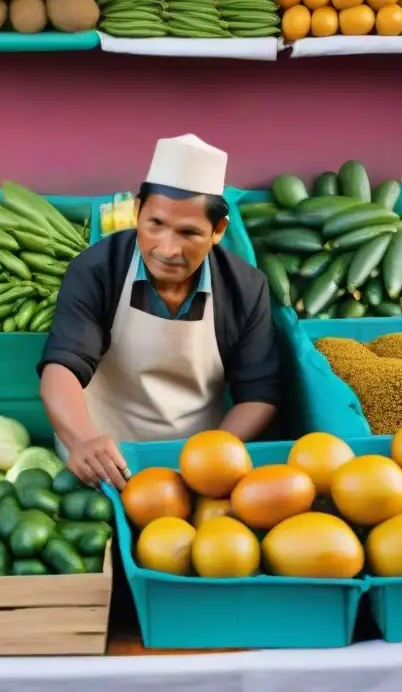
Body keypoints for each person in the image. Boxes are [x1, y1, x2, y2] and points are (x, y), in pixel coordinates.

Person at [37, 134, 281, 491]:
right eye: (155, 225)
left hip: (195, 458)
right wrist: (82, 438)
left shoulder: (245, 287)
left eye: (189, 233)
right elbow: (63, 364)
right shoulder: (95, 270)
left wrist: (211, 456)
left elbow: (260, 393)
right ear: (138, 212)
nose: (167, 249)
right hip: (102, 453)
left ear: (218, 231)